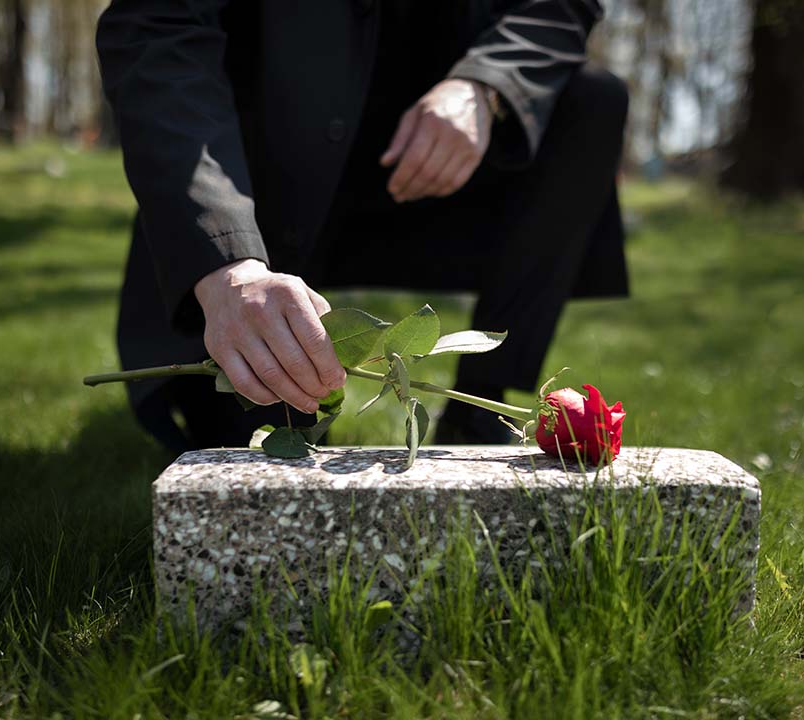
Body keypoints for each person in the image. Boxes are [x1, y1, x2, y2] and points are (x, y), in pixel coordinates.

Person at [96, 1, 629, 454]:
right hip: (260, 201)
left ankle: (480, 413)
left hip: (431, 184)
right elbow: (158, 31)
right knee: (257, 436)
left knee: (591, 98)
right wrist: (225, 260)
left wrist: (485, 85)